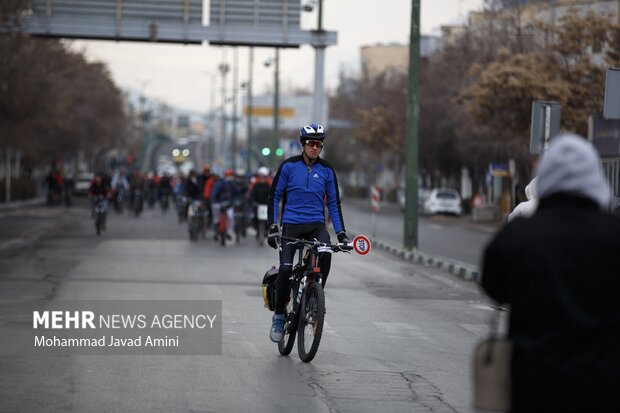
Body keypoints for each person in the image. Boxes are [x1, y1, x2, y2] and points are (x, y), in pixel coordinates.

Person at [480, 133, 620, 412]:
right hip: (603, 386)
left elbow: (492, 284)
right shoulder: (613, 234)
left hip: (534, 383)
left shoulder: (521, 232)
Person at [267, 123, 349, 343]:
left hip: (316, 225)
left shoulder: (326, 170)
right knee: (285, 269)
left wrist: (341, 234)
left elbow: (333, 203)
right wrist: (273, 226)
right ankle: (279, 315)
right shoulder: (289, 167)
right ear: (303, 145)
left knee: (326, 253)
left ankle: (315, 297)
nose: (315, 148)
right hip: (291, 225)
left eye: (319, 144)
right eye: (312, 144)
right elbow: (274, 196)